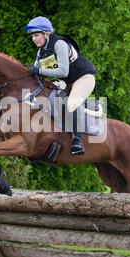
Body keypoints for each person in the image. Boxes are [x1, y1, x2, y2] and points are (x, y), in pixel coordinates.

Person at [24, 16, 98, 155]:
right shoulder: (41, 52)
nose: (33, 39)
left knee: (71, 104)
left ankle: (78, 141)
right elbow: (35, 73)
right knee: (46, 95)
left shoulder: (59, 44)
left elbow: (64, 71)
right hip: (67, 82)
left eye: (36, 35)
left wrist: (38, 70)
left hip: (83, 78)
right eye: (32, 36)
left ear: (46, 33)